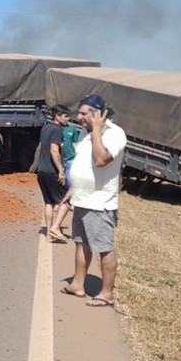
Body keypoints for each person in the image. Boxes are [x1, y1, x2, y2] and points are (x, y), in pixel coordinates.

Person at [60, 94, 127, 308]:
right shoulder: (87, 134)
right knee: (81, 243)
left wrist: (97, 130)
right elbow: (84, 166)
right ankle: (78, 284)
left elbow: (101, 160)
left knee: (104, 248)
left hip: (100, 203)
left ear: (98, 114)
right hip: (82, 199)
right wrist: (74, 188)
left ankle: (107, 293)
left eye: (83, 113)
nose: (78, 117)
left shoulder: (114, 134)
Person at [37, 105, 71, 242]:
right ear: (57, 116)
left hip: (41, 171)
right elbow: (54, 151)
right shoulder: (57, 130)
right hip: (52, 171)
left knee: (49, 202)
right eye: (65, 116)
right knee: (67, 199)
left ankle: (49, 234)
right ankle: (55, 229)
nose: (68, 119)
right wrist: (61, 171)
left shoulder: (45, 128)